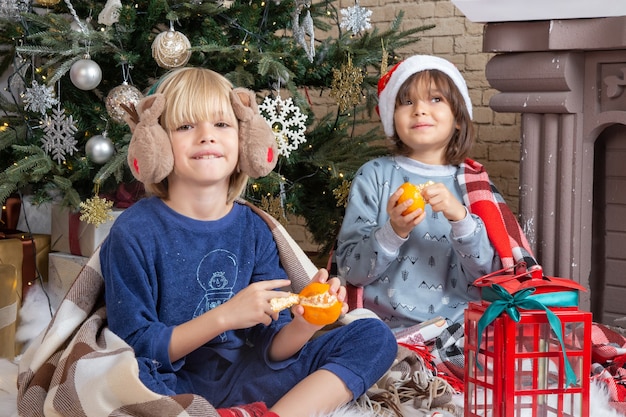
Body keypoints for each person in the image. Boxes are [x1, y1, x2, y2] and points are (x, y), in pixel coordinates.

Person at [100, 67, 397, 417]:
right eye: (185, 126)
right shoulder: (134, 232)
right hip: (170, 385)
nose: (206, 137)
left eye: (222, 125)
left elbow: (272, 349)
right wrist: (223, 317)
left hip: (247, 379)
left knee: (375, 338)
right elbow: (135, 346)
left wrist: (306, 322)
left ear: (245, 141)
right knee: (122, 381)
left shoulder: (254, 229)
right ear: (158, 145)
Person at [336, 55, 536, 330]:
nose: (419, 110)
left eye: (435, 99)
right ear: (392, 118)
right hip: (381, 330)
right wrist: (393, 232)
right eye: (407, 101)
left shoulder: (474, 185)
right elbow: (351, 271)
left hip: (459, 331)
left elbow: (494, 274)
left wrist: (462, 219)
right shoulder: (374, 176)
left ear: (457, 117)